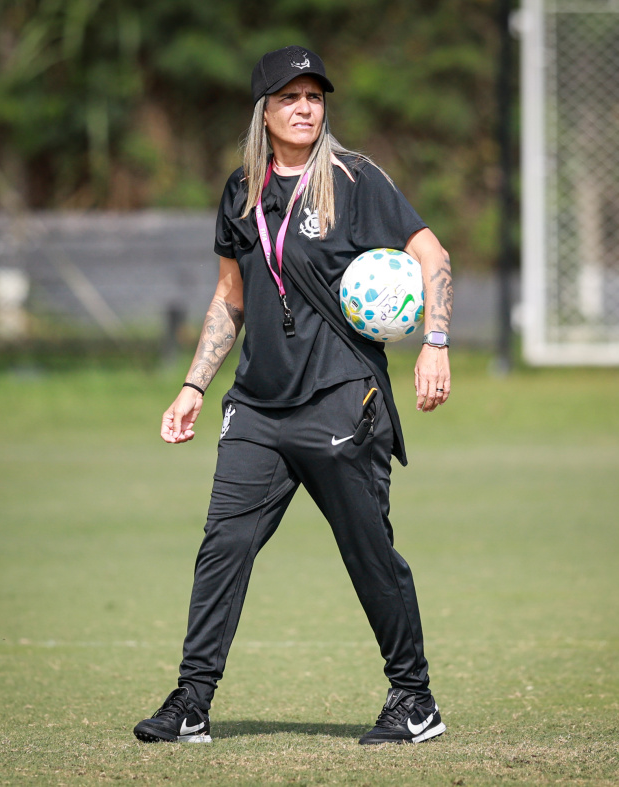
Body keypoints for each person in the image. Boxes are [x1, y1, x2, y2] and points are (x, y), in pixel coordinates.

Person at [134, 45, 453, 746]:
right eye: (289, 98)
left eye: (314, 97)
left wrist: (435, 340)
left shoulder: (355, 179)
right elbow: (229, 298)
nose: (306, 108)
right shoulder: (240, 191)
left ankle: (414, 697)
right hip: (257, 408)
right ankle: (191, 700)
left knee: (369, 554)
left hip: (342, 397)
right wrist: (192, 385)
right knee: (222, 547)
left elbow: (432, 254)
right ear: (264, 111)